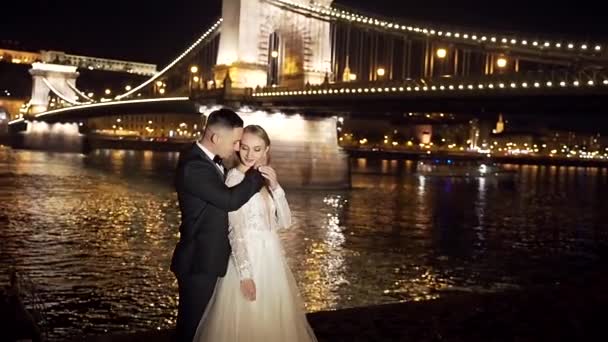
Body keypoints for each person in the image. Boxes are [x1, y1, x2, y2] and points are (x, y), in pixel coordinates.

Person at [194, 125, 317, 341]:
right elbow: (235, 230)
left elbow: (285, 222)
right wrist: (245, 275)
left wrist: (276, 187)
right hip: (248, 260)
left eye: (257, 149)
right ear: (238, 148)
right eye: (245, 148)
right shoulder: (233, 179)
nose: (250, 155)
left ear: (266, 150)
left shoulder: (264, 176)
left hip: (271, 260)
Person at [171, 109, 265, 342]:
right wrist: (257, 175)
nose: (236, 148)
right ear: (215, 138)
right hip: (198, 261)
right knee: (192, 329)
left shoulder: (208, 161)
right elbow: (229, 201)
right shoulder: (195, 166)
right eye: (235, 142)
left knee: (205, 328)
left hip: (209, 258)